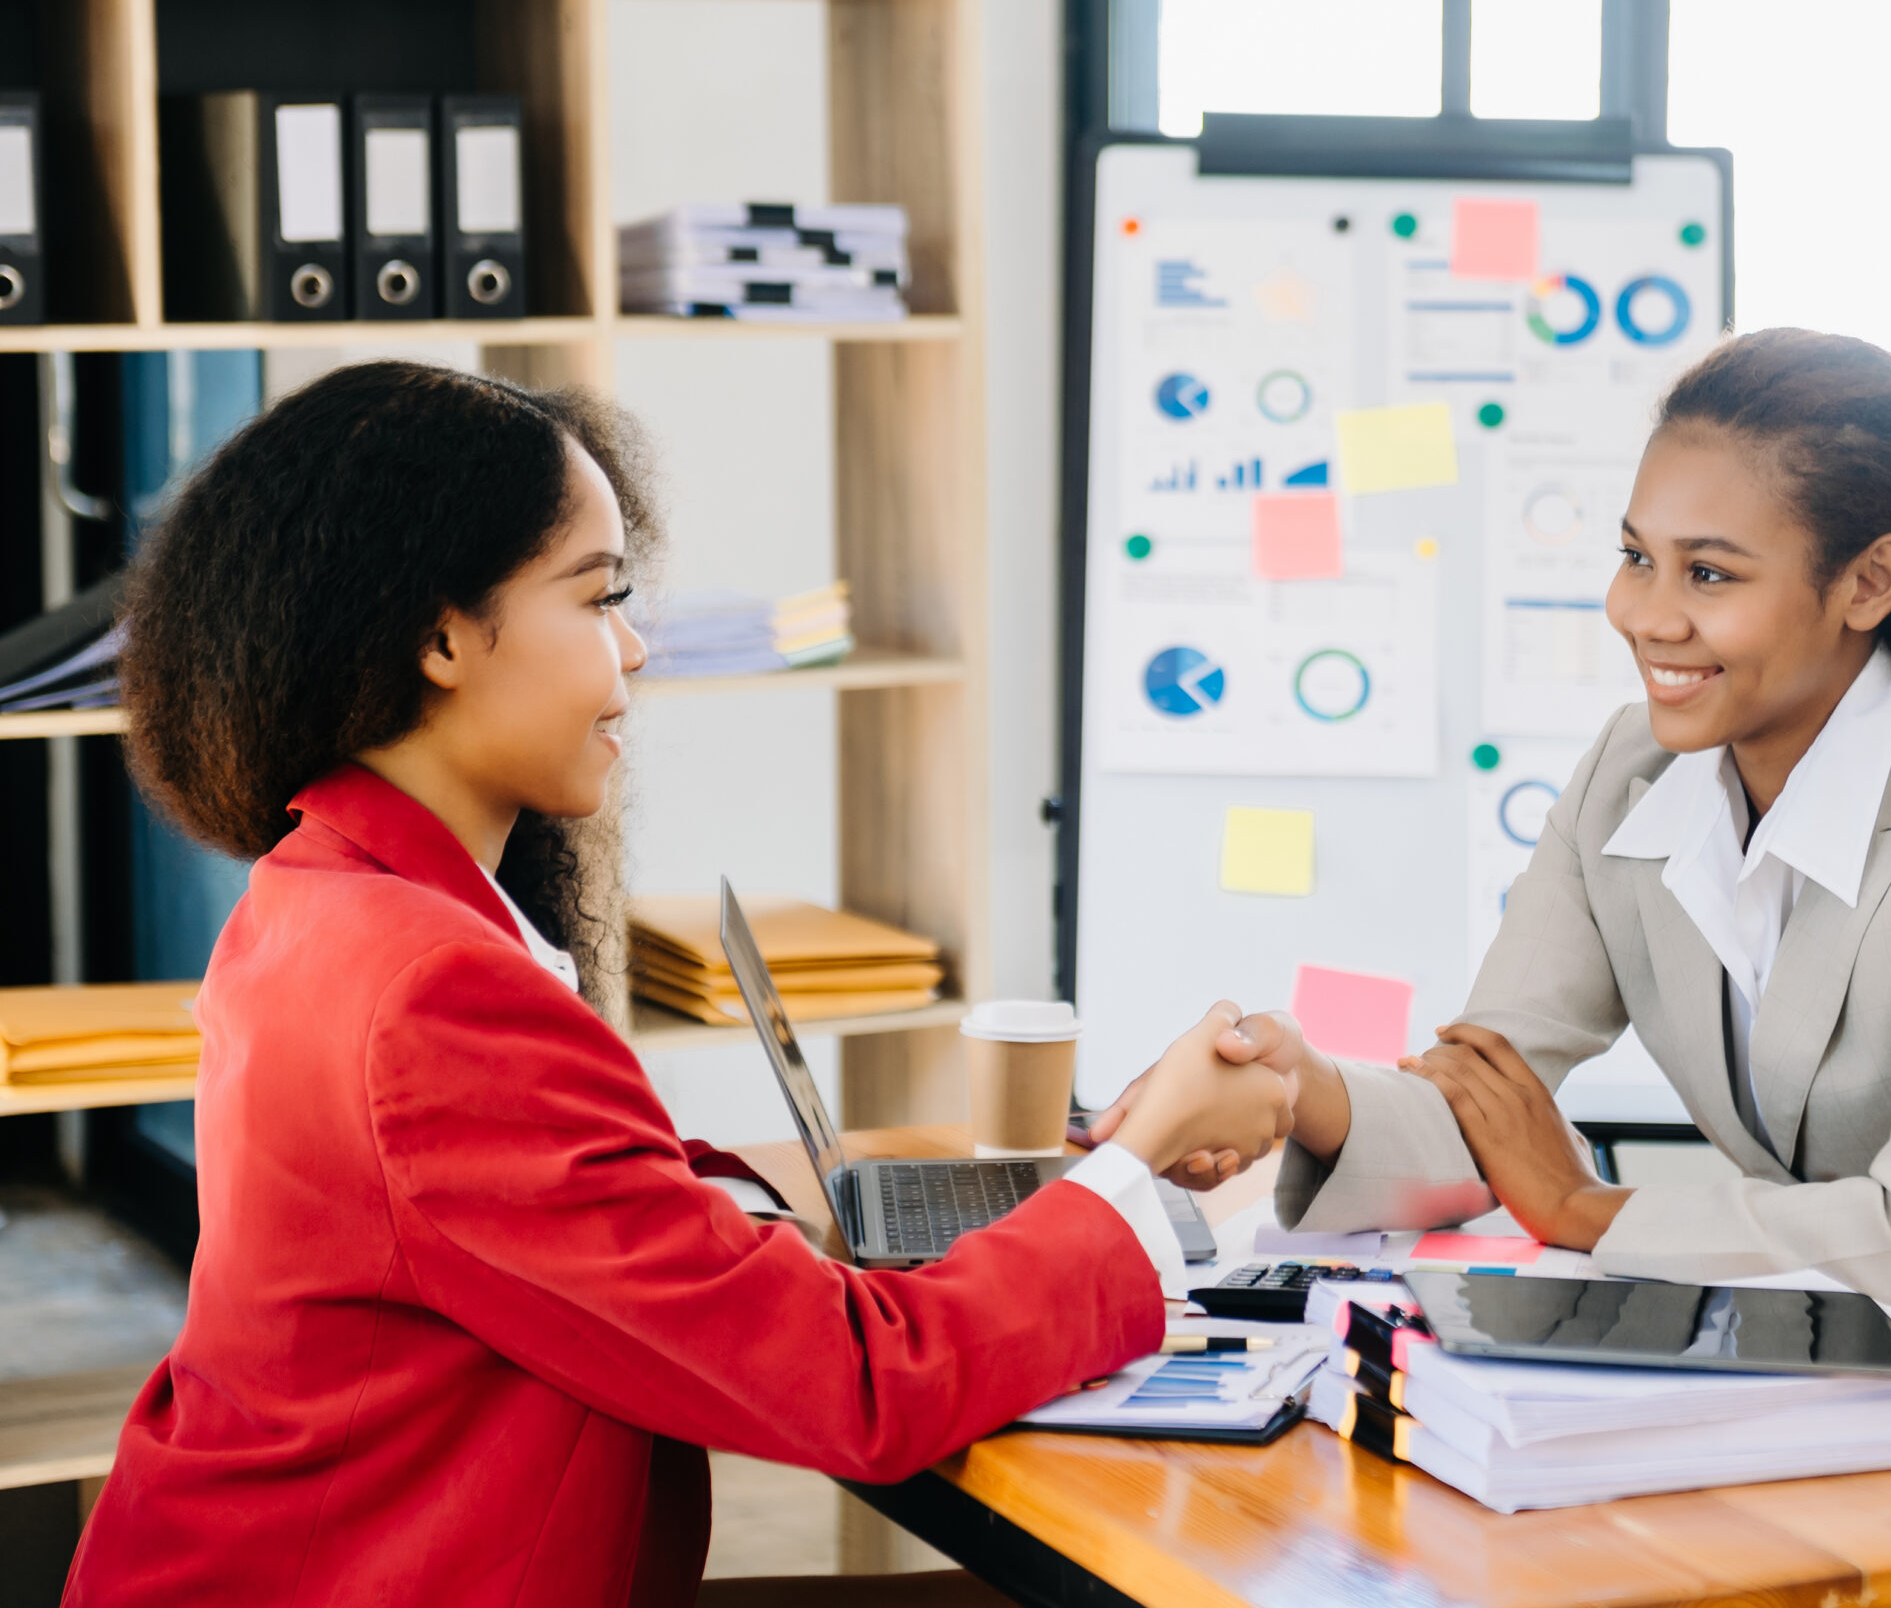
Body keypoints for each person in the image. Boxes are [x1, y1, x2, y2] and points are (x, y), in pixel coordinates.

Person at [64, 361, 1294, 1608]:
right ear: (439, 636)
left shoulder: (323, 889)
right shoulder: (432, 990)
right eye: (598, 600)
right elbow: (860, 1390)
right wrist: (1140, 1158)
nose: (636, 650)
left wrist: (739, 1226)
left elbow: (512, 1214)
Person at [1103, 327, 1891, 1433]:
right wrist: (1302, 1087)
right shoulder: (1630, 771)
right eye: (1636, 557)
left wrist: (1588, 1210)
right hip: (1827, 1394)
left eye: (1708, 573)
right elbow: (1487, 1101)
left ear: (1868, 582)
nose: (1647, 615)